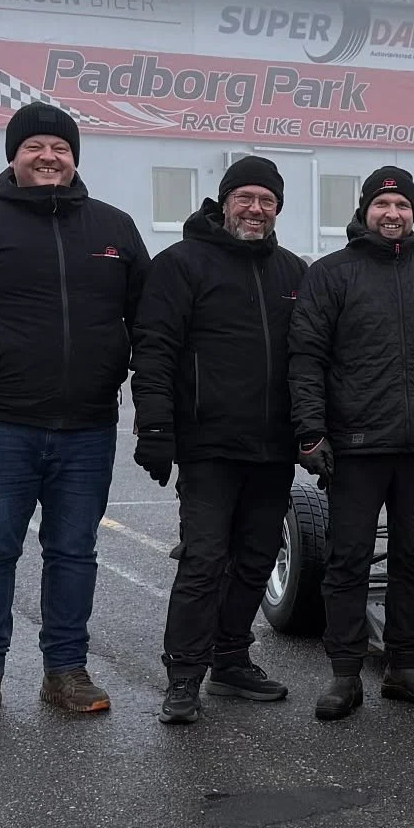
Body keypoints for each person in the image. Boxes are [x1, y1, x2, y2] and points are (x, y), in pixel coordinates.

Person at [0, 102, 149, 723]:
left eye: (61, 149)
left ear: (75, 158)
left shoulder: (115, 229)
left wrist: (153, 404)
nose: (49, 158)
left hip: (88, 426)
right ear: (13, 156)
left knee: (74, 553)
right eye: (35, 147)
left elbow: (149, 323)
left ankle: (65, 672)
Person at [289, 167, 414, 720]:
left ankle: (402, 667)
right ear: (365, 210)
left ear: (413, 214)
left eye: (402, 205)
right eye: (383, 204)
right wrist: (310, 431)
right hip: (355, 446)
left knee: (413, 559)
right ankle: (344, 674)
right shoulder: (332, 274)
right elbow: (306, 358)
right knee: (347, 560)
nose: (392, 214)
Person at [130, 156, 308, 724]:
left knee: (256, 559)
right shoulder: (181, 264)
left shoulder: (293, 273)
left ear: (278, 208)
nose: (255, 209)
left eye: (267, 201)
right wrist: (156, 428)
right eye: (246, 198)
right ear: (224, 200)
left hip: (274, 446)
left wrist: (314, 432)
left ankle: (230, 658)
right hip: (208, 444)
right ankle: (184, 676)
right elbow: (153, 349)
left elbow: (312, 360)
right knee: (205, 560)